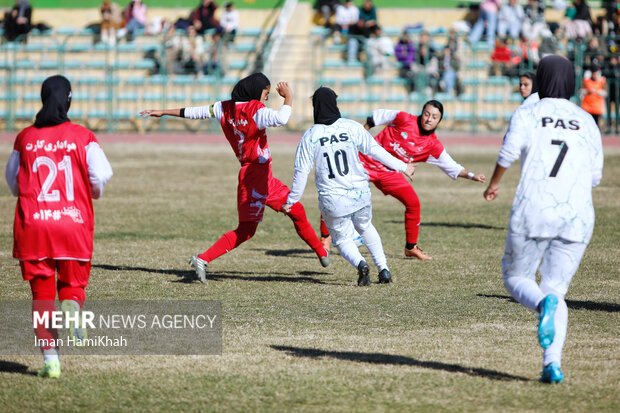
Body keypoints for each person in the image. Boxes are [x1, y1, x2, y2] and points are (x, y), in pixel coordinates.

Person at [140, 74, 330, 283]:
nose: (266, 98)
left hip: (261, 175)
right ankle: (202, 259)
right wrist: (289, 97)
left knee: (296, 210)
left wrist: (164, 112)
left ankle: (322, 251)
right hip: (255, 176)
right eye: (266, 93)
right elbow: (282, 119)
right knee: (247, 230)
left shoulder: (224, 107)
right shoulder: (254, 110)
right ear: (256, 90)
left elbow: (195, 112)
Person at [484, 55, 603, 384]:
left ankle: (542, 304)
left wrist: (494, 184)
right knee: (557, 289)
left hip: (534, 208)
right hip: (577, 215)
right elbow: (595, 177)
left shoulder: (528, 112)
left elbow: (507, 153)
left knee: (516, 278)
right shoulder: (586, 119)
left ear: (539, 80)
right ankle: (552, 363)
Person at [5, 75, 113, 378]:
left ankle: (51, 361)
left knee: (41, 296)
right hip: (73, 223)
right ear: (68, 100)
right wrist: (91, 193)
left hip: (34, 226)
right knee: (72, 286)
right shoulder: (83, 136)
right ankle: (72, 306)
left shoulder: (25, 138)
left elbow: (13, 182)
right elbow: (101, 175)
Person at [284, 87, 415, 286]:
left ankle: (361, 264)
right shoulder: (352, 127)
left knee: (342, 238)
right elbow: (375, 150)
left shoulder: (310, 136)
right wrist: (403, 166)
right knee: (365, 226)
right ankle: (384, 269)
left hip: (333, 199)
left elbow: (301, 172)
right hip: (360, 193)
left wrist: (292, 200)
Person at [322, 101, 484, 261]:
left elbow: (452, 166)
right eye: (427, 114)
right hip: (363, 163)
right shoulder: (405, 119)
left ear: (439, 121)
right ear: (421, 113)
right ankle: (325, 237)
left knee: (413, 203)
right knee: (338, 194)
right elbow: (377, 116)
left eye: (434, 117)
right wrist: (363, 132)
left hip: (389, 173)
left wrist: (472, 176)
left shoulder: (432, 145)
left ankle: (411, 247)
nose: (429, 119)